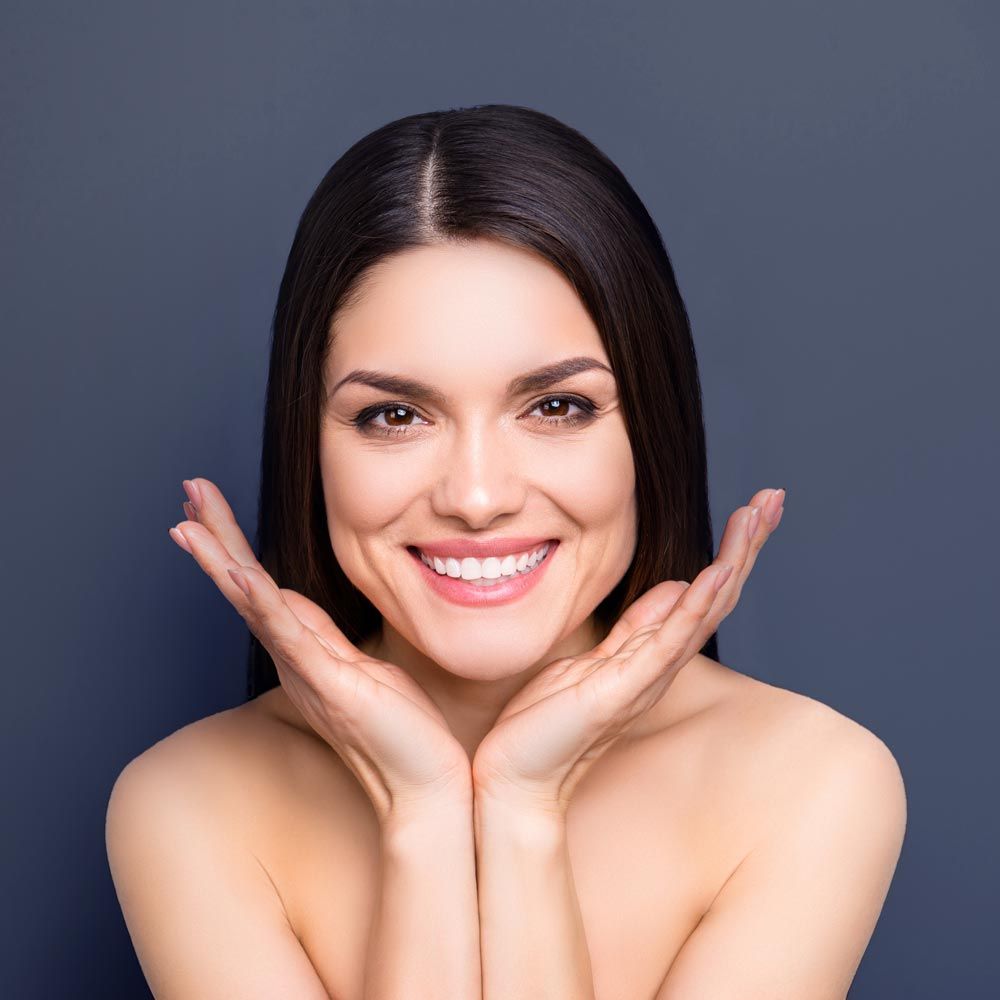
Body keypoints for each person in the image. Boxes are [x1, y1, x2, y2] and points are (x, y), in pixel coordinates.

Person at [105, 104, 906, 999]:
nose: (477, 497)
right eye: (395, 415)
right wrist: (424, 810)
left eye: (556, 407)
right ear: (309, 445)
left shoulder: (809, 782)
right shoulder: (190, 803)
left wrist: (524, 808)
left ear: (652, 428)